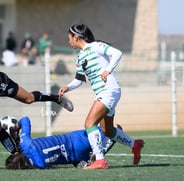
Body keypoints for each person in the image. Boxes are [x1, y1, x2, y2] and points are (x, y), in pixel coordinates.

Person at [58, 24, 144, 170]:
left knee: (89, 124)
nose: (69, 41)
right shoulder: (80, 57)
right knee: (107, 131)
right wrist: (68, 87)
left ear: (77, 37)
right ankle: (134, 145)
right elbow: (79, 79)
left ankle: (100, 160)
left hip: (108, 90)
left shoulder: (96, 46)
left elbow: (117, 53)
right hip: (105, 92)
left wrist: (107, 70)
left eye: (69, 38)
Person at [5, 116, 120, 169]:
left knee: (76, 158)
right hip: (74, 139)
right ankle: (111, 140)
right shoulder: (25, 143)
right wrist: (16, 127)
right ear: (16, 154)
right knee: (113, 128)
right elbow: (25, 119)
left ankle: (88, 160)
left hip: (75, 156)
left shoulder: (38, 165)